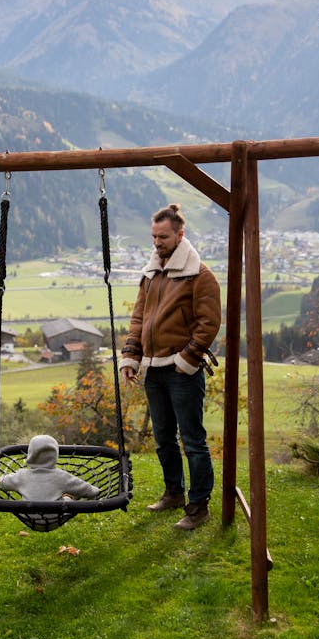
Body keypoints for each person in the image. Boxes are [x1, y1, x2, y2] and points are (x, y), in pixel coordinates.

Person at [119, 203, 221, 530]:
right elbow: (139, 319)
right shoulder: (150, 273)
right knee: (163, 437)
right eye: (153, 236)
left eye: (162, 236)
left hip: (181, 371)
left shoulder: (200, 274)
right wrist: (131, 357)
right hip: (153, 368)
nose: (156, 242)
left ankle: (199, 507)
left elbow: (209, 323)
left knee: (192, 440)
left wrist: (186, 360)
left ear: (180, 234)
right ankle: (173, 493)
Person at [0, 434, 101, 501]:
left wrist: (2, 479)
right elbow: (82, 487)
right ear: (55, 455)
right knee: (68, 500)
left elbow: (4, 483)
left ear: (30, 455)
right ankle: (69, 497)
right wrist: (94, 491)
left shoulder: (21, 476)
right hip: (56, 514)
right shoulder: (61, 476)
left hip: (28, 514)